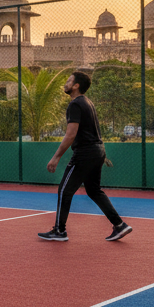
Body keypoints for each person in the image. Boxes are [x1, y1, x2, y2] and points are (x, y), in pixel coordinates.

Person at [38, 70, 132, 242]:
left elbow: (70, 134)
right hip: (97, 150)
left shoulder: (75, 105)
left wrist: (56, 157)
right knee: (94, 190)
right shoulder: (88, 102)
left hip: (85, 153)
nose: (65, 83)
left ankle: (59, 231)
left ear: (76, 86)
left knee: (65, 191)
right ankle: (119, 225)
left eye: (69, 80)